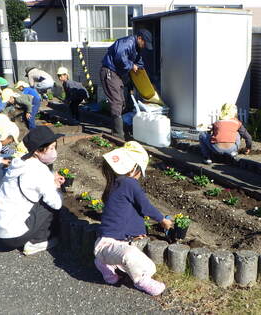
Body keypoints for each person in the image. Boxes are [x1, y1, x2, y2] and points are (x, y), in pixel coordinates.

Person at [95, 141, 173, 296]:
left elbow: (127, 214)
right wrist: (162, 220)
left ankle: (105, 265)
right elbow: (145, 207)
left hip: (105, 244)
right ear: (134, 168)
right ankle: (141, 282)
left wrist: (137, 231)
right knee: (145, 265)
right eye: (140, 171)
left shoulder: (117, 183)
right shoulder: (130, 183)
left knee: (134, 259)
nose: (139, 176)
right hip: (109, 246)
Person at [0, 126, 64, 255]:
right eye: (51, 148)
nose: (54, 152)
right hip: (11, 237)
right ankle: (37, 241)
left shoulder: (19, 162)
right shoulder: (39, 171)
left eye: (55, 147)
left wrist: (50, 178)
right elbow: (56, 203)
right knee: (48, 203)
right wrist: (56, 187)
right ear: (37, 151)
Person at [100, 29, 153, 139]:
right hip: (109, 71)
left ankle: (120, 129)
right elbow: (120, 57)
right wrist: (131, 65)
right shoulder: (127, 42)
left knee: (122, 102)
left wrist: (141, 72)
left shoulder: (137, 48)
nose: (144, 46)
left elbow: (139, 62)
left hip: (117, 74)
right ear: (139, 38)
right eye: (144, 43)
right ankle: (118, 134)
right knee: (117, 101)